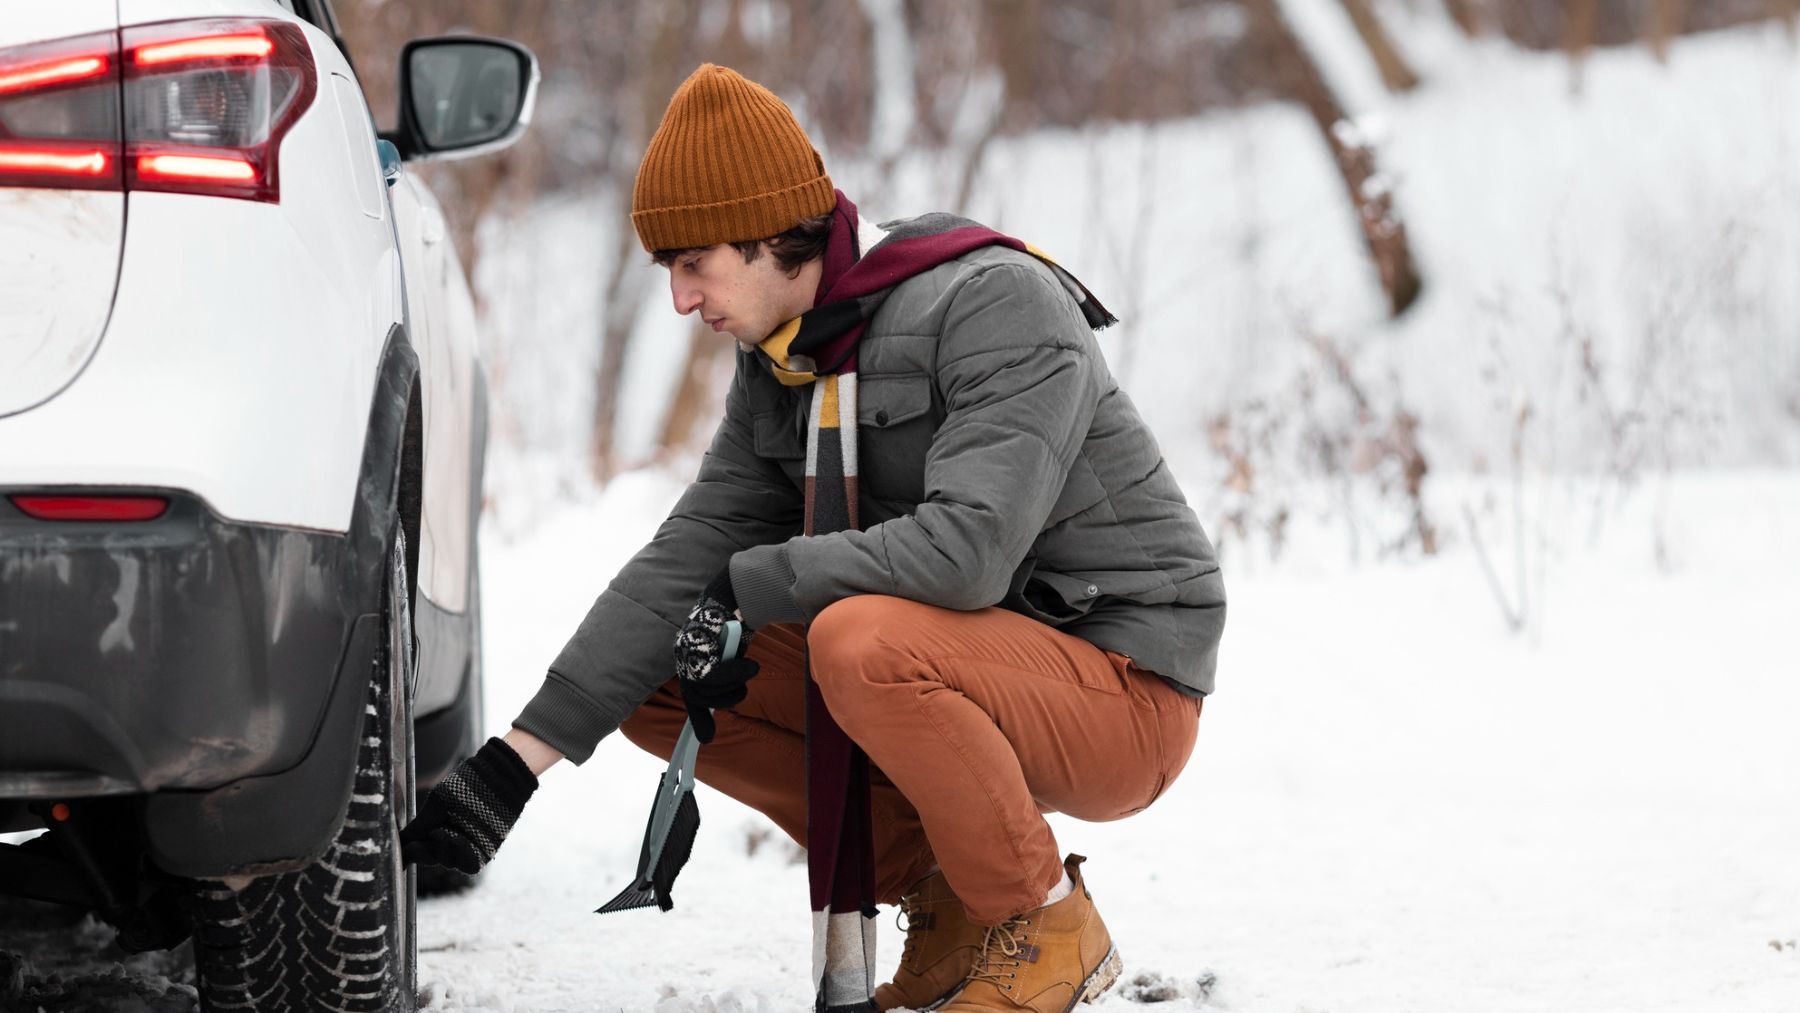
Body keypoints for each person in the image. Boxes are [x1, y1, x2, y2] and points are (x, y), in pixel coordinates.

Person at [400, 63, 1225, 1013]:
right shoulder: (785, 362)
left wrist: (765, 580)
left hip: (1122, 687)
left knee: (855, 638)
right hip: (968, 660)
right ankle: (948, 897)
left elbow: (967, 553)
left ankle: (1043, 922)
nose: (679, 299)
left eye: (692, 262)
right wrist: (513, 766)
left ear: (763, 235)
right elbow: (688, 556)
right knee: (671, 669)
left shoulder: (993, 302)